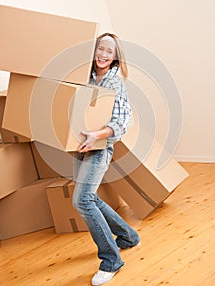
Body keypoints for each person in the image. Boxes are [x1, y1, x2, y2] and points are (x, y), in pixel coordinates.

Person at [72, 33, 140, 286]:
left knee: (82, 201)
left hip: (99, 147)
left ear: (115, 57)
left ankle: (111, 260)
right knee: (89, 197)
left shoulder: (115, 82)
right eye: (100, 49)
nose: (103, 54)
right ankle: (128, 237)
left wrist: (96, 135)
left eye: (108, 51)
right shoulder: (85, 76)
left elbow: (122, 123)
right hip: (79, 146)